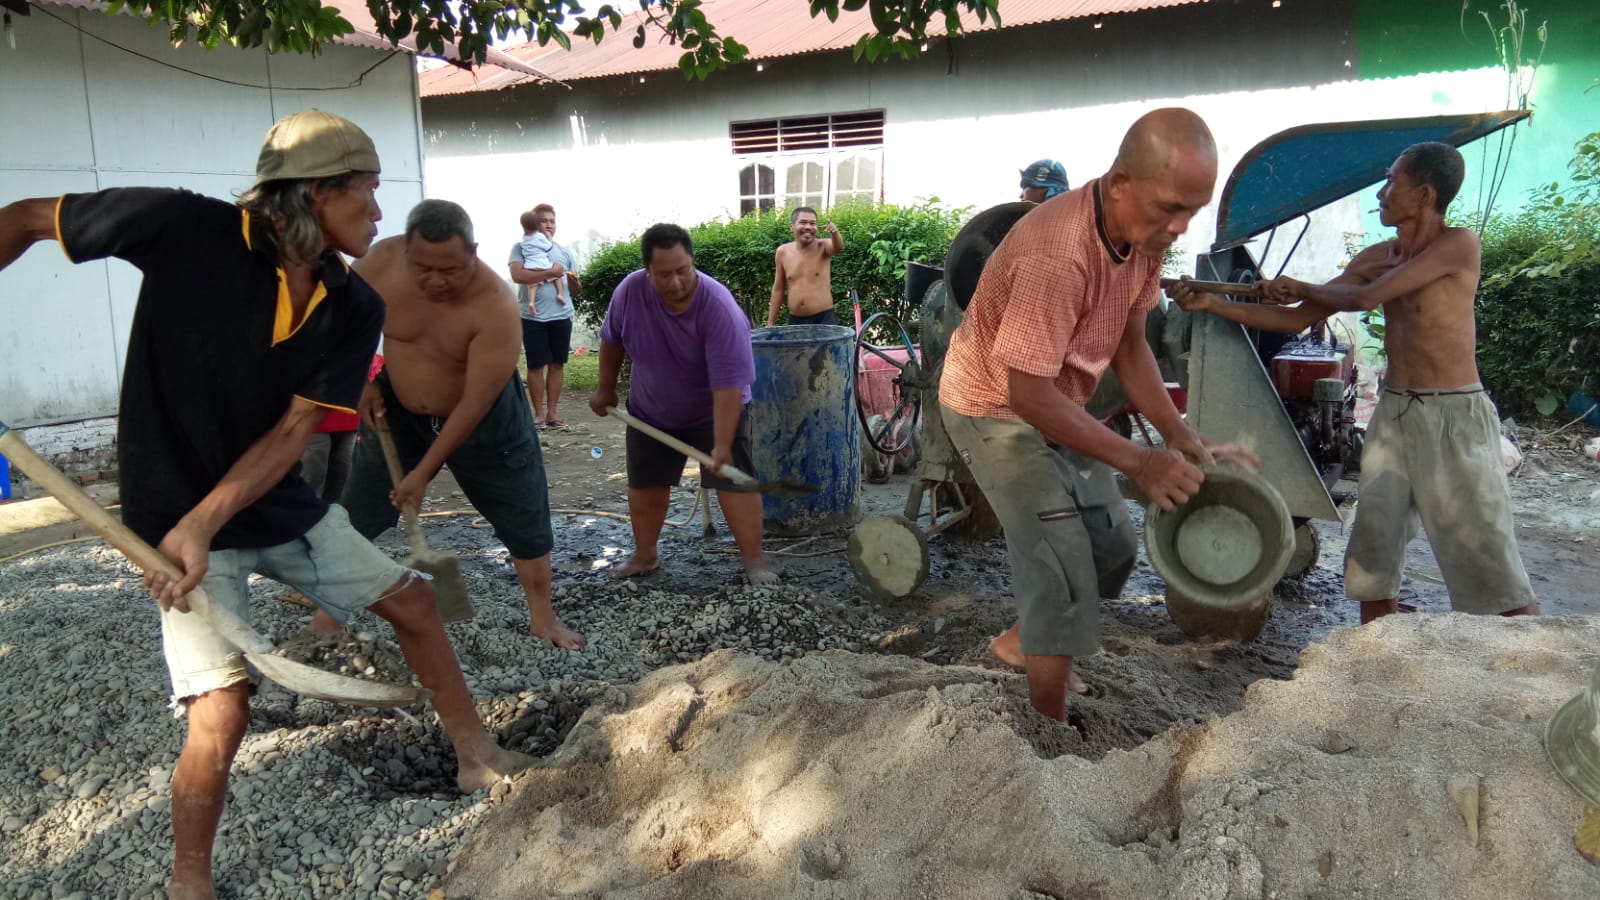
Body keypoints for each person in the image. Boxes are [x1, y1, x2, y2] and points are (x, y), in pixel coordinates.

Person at [0, 109, 533, 900]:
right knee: (221, 711)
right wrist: (189, 525)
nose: (380, 213)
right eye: (368, 193)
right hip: (167, 512)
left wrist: (207, 520)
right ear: (318, 193)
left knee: (416, 604)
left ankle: (476, 757)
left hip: (267, 503)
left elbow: (293, 431)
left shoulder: (352, 304)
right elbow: (27, 219)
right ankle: (190, 881)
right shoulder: (184, 227)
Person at [940, 108, 1257, 722]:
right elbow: (1026, 395)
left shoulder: (1141, 237)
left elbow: (1130, 343)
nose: (1179, 226)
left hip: (1055, 401)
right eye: (1170, 208)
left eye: (1192, 210)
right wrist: (1139, 460)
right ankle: (1050, 726)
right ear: (1119, 183)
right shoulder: (1057, 254)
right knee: (1061, 563)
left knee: (1112, 547)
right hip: (994, 407)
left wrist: (1177, 435)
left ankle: (1023, 641)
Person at [1166, 141, 1539, 626]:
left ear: (1425, 194)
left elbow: (1365, 298)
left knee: (1489, 563)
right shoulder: (1377, 255)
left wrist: (1299, 284)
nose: (1381, 194)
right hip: (1394, 413)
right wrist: (1210, 304)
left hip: (1453, 416)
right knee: (1373, 557)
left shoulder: (1457, 245)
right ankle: (1372, 663)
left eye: (1392, 183)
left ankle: (1527, 668)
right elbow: (1295, 318)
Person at [309, 200, 587, 650]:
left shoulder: (495, 305)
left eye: (450, 269)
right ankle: (329, 611)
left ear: (473, 252)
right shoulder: (378, 263)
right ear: (405, 252)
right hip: (396, 407)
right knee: (357, 507)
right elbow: (340, 324)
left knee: (524, 511)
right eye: (424, 268)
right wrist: (359, 381)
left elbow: (475, 403)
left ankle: (543, 618)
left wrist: (423, 474)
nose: (436, 280)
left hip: (487, 418)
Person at [590, 223, 777, 585]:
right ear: (647, 271)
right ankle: (645, 555)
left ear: (693, 262)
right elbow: (611, 338)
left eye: (682, 271)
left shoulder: (718, 306)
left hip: (715, 410)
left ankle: (755, 562)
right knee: (645, 483)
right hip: (652, 409)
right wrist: (605, 388)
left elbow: (727, 385)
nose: (675, 282)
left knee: (734, 483)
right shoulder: (630, 292)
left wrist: (722, 444)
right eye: (664, 274)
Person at [508, 204, 580, 429]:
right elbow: (518, 275)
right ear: (533, 225)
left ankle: (553, 414)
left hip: (562, 316)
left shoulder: (564, 251)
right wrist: (552, 272)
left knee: (557, 364)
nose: (549, 225)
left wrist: (575, 282)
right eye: (543, 221)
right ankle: (538, 415)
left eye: (552, 221)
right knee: (536, 365)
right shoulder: (520, 247)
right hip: (533, 318)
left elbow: (576, 288)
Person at [766, 206, 843, 327]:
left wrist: (835, 233)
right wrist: (770, 323)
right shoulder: (782, 252)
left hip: (824, 319)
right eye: (803, 222)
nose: (808, 227)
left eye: (813, 223)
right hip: (795, 321)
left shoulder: (823, 246)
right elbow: (778, 289)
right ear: (792, 227)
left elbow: (838, 247)